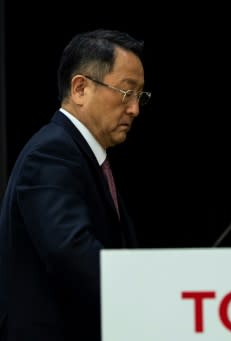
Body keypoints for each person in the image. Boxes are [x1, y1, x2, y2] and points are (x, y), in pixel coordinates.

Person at [0, 28, 150, 341]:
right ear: (80, 88)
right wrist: (148, 299)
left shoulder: (81, 156)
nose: (135, 109)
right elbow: (71, 253)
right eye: (126, 92)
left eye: (140, 96)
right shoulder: (52, 153)